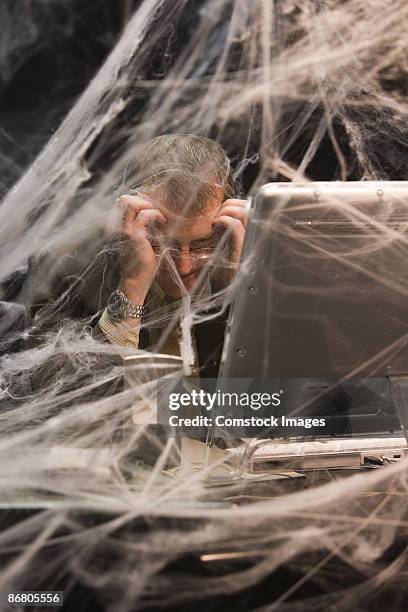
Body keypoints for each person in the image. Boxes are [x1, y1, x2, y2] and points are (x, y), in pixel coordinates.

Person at [94, 134, 248, 377]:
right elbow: (64, 400)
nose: (184, 267)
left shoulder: (242, 259)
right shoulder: (65, 267)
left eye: (202, 243)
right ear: (131, 219)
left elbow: (290, 394)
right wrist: (132, 285)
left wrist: (245, 292)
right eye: (163, 246)